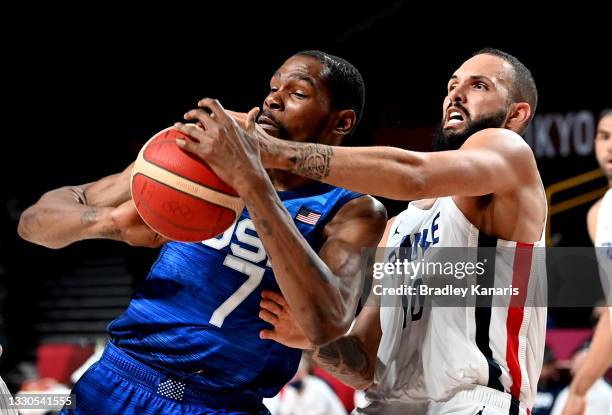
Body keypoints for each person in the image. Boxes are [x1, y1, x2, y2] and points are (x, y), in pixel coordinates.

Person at [17, 50, 387, 414]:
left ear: (342, 122)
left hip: (223, 403)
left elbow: (327, 322)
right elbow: (34, 222)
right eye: (273, 87)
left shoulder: (352, 209)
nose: (273, 99)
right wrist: (108, 222)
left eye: (298, 93)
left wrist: (252, 182)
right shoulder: (200, 156)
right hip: (118, 380)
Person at [183, 48, 547, 414]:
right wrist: (314, 339)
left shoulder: (509, 153)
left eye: (479, 85)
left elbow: (414, 174)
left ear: (516, 114)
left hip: (474, 401)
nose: (456, 94)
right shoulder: (398, 228)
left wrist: (271, 150)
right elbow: (364, 363)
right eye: (452, 85)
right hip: (384, 405)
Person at [561, 110, 612, 415]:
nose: (610, 147)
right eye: (604, 137)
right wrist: (581, 387)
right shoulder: (597, 215)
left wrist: (580, 387)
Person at [552, 340, 612, 415]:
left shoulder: (607, 392)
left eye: (583, 366)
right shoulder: (565, 393)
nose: (580, 372)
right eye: (577, 368)